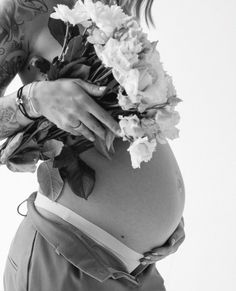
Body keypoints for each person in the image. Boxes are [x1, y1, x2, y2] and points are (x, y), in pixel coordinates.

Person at [0, 0, 186, 290]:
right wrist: (33, 100)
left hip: (137, 265)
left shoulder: (107, 3)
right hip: (68, 259)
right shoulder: (21, 11)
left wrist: (162, 218)